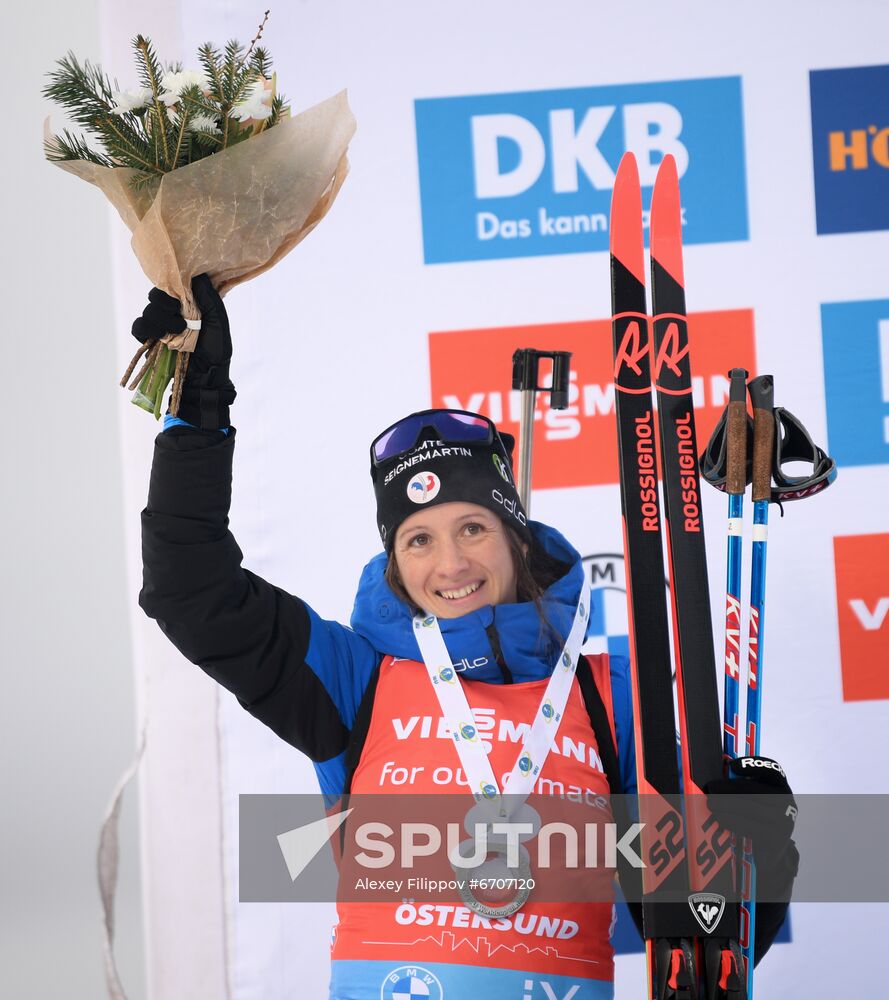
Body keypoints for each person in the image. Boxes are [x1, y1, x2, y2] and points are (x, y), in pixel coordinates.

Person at [136, 277, 799, 1000]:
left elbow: (691, 944)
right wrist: (197, 409)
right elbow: (190, 590)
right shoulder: (356, 679)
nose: (449, 564)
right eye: (417, 540)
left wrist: (756, 849)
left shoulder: (612, 697)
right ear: (394, 562)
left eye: (473, 529)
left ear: (517, 539)